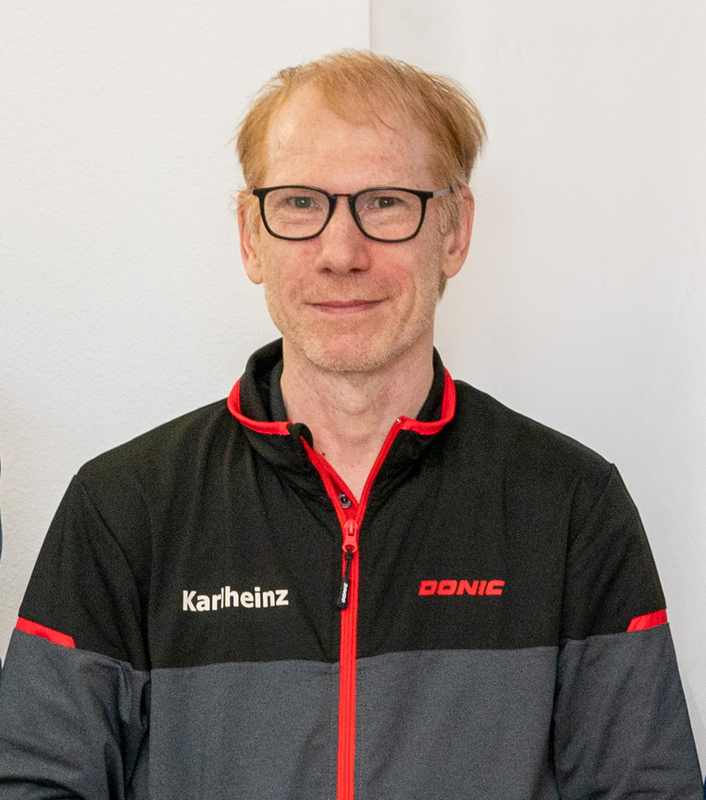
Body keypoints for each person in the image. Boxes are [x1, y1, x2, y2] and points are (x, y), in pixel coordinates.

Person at [0, 50, 701, 798]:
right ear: (250, 237)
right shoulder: (124, 507)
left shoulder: (570, 506)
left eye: (386, 202)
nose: (341, 253)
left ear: (455, 232)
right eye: (301, 203)